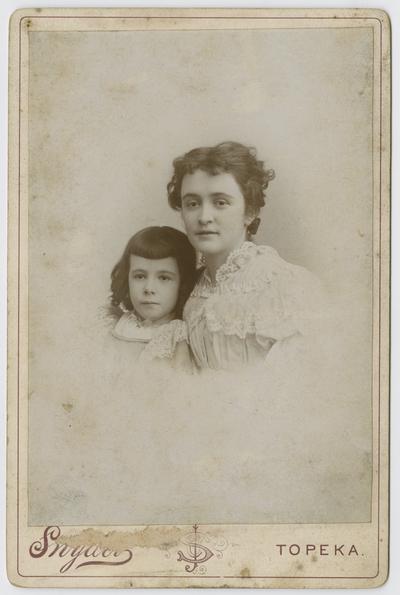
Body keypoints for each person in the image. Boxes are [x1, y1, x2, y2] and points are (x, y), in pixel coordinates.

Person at [167, 141, 325, 370]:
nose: (204, 217)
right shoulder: (190, 289)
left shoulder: (285, 285)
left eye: (220, 202)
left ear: (249, 212)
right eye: (192, 203)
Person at [108, 226, 197, 367]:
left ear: (182, 284)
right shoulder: (117, 324)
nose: (149, 288)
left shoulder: (176, 336)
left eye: (163, 278)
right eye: (140, 276)